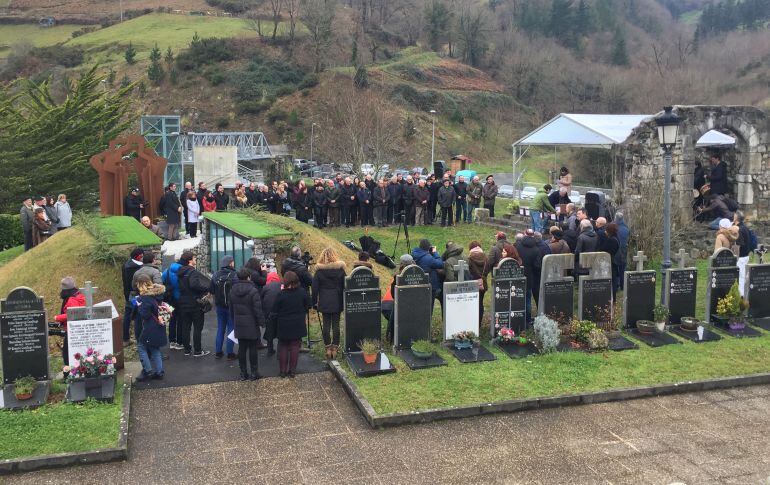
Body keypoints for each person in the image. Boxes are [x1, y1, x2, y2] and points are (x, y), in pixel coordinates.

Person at [229, 268, 265, 380]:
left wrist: (234, 320)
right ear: (248, 277)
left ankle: (243, 373)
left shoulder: (232, 290)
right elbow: (257, 309)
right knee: (253, 348)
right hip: (251, 324)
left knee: (242, 348)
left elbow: (231, 309)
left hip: (239, 323)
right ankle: (254, 373)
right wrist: (262, 322)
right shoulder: (253, 290)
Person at [272, 271, 310, 378]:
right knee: (294, 346)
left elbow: (274, 309)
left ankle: (282, 371)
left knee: (283, 346)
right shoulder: (302, 292)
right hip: (297, 323)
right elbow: (308, 305)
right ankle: (292, 371)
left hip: (283, 323)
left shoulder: (281, 294)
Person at [312, 247, 346, 360]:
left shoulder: (319, 271)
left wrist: (314, 302)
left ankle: (327, 347)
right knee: (336, 324)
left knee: (326, 324)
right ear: (334, 255)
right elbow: (345, 286)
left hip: (324, 300)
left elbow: (315, 288)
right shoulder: (341, 270)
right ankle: (335, 347)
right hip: (337, 299)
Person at [176, 251, 211, 357]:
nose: (195, 260)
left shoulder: (180, 271)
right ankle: (198, 351)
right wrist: (206, 288)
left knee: (185, 327)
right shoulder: (192, 272)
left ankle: (187, 350)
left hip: (183, 302)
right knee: (197, 327)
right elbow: (194, 284)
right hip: (194, 302)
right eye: (194, 258)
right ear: (190, 260)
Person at [135, 274, 168, 381]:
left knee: (141, 346)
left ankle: (148, 371)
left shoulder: (145, 298)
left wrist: (139, 305)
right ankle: (159, 372)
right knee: (155, 349)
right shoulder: (157, 293)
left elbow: (145, 314)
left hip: (150, 327)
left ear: (141, 285)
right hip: (159, 325)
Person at [211, 255, 239, 360]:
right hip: (231, 306)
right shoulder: (234, 275)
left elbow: (212, 290)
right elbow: (237, 291)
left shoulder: (215, 275)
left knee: (220, 328)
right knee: (231, 329)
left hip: (219, 306)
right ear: (230, 263)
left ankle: (218, 352)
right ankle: (230, 353)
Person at [54, 276, 85, 366]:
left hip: (72, 329)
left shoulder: (71, 300)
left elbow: (72, 314)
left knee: (66, 352)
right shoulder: (79, 295)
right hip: (79, 328)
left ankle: (68, 371)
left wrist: (57, 317)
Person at [516, 230, 542, 322]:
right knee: (527, 299)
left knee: (517, 297)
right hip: (529, 277)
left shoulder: (518, 246)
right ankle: (527, 319)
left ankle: (517, 319)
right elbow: (537, 266)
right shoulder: (536, 249)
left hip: (518, 275)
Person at [412, 239, 445, 311]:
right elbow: (440, 264)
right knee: (429, 308)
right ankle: (427, 321)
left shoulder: (414, 254)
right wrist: (435, 253)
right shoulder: (428, 258)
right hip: (429, 285)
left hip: (418, 283)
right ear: (428, 247)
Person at [121, 248, 144, 344]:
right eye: (142, 256)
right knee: (138, 316)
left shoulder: (125, 265)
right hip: (136, 295)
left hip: (128, 294)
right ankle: (139, 339)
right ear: (138, 256)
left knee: (127, 316)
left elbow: (124, 281)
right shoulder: (139, 267)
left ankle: (125, 338)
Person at [261, 271, 282, 355]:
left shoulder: (265, 287)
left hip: (268, 312)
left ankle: (270, 349)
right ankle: (280, 352)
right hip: (280, 311)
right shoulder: (281, 285)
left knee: (269, 330)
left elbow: (261, 299)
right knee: (280, 330)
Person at [467, 241, 488, 322]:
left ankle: (473, 322)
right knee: (480, 303)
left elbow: (468, 271)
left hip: (472, 284)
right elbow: (487, 269)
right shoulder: (486, 258)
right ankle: (479, 322)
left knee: (472, 304)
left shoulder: (469, 259)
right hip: (483, 284)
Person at [734, 211, 751, 296]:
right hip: (746, 255)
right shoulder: (745, 227)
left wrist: (736, 257)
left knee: (741, 277)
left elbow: (738, 244)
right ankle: (745, 294)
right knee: (744, 276)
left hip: (741, 257)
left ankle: (741, 296)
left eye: (734, 216)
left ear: (736, 218)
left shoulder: (738, 229)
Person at [602, 223, 621, 297]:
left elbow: (605, 249)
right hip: (614, 262)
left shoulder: (611, 240)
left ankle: (612, 298)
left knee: (612, 281)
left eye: (606, 230)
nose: (605, 232)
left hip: (611, 262)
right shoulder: (616, 238)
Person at [614, 213, 630, 290]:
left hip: (616, 250)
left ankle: (616, 285)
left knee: (615, 268)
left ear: (616, 218)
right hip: (624, 250)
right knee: (623, 268)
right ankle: (623, 286)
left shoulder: (614, 227)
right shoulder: (626, 228)